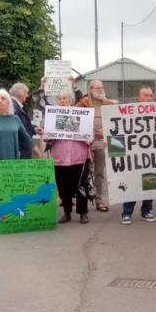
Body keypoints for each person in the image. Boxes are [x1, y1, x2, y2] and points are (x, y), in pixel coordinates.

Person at [49, 91, 92, 224]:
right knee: (63, 187)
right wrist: (49, 135)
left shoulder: (82, 115)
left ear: (71, 100)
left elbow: (90, 135)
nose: (62, 100)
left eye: (65, 98)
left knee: (81, 187)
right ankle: (67, 213)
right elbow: (48, 139)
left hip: (79, 157)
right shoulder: (52, 116)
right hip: (60, 158)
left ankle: (83, 213)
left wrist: (87, 138)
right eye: (60, 98)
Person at [77, 79, 115, 212]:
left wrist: (107, 132)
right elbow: (74, 121)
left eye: (101, 87)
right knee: (84, 172)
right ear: (90, 90)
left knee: (99, 173)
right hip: (85, 144)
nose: (100, 90)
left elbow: (116, 122)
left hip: (101, 143)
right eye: (97, 87)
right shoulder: (83, 104)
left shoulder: (109, 104)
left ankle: (99, 199)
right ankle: (83, 201)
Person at [121, 86, 156, 225]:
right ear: (138, 98)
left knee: (150, 182)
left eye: (150, 95)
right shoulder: (128, 113)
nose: (149, 98)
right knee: (132, 183)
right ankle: (126, 212)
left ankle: (147, 211)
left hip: (152, 156)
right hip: (133, 156)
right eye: (145, 95)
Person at [0, 89, 34, 161]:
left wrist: (39, 154)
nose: (0, 101)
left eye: (3, 98)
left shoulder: (15, 118)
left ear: (8, 102)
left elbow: (27, 140)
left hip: (11, 160)